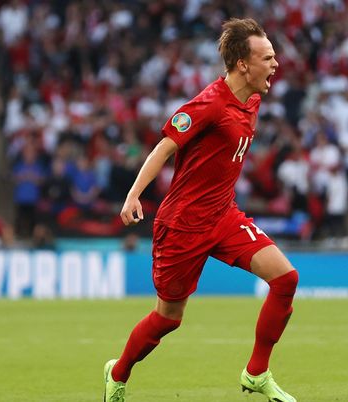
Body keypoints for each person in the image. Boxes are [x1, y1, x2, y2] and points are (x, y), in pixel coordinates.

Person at [104, 18, 298, 402]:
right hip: (182, 226)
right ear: (243, 63)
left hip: (224, 217)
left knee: (285, 279)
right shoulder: (209, 104)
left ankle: (256, 373)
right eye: (268, 57)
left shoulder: (253, 101)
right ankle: (118, 372)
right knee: (167, 319)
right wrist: (133, 195)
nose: (276, 64)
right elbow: (164, 147)